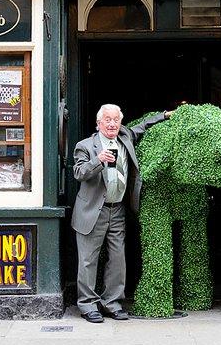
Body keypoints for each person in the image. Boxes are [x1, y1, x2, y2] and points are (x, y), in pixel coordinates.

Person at [72, 104, 171, 323]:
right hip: (92, 212)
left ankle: (112, 303)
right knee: (88, 261)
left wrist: (164, 115)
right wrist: (98, 160)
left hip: (117, 209)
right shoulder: (85, 146)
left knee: (117, 259)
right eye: (107, 120)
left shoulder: (125, 137)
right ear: (98, 123)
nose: (112, 124)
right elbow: (79, 172)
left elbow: (143, 125)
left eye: (116, 120)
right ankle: (88, 305)